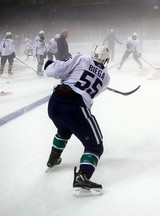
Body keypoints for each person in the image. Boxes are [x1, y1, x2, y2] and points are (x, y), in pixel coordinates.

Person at [44, 45, 110, 196]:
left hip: (54, 103)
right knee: (95, 146)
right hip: (75, 107)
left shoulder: (82, 58)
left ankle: (53, 158)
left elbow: (57, 70)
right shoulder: (106, 77)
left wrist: (49, 66)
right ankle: (82, 177)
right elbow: (88, 97)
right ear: (106, 60)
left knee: (64, 129)